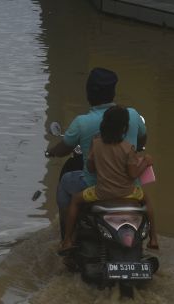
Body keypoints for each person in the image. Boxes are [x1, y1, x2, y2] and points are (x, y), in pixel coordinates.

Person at [46, 67, 148, 237]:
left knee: (65, 181)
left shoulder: (82, 123)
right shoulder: (132, 114)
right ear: (113, 92)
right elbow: (142, 138)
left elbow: (65, 148)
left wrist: (52, 152)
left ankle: (66, 235)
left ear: (88, 94)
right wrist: (137, 150)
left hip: (97, 188)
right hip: (129, 189)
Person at [58, 106, 157, 255]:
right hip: (128, 193)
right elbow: (133, 174)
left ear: (104, 125)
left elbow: (90, 168)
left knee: (75, 201)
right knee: (147, 200)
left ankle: (67, 240)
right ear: (124, 128)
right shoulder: (127, 148)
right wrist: (146, 162)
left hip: (101, 194)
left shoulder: (96, 145)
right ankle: (154, 238)